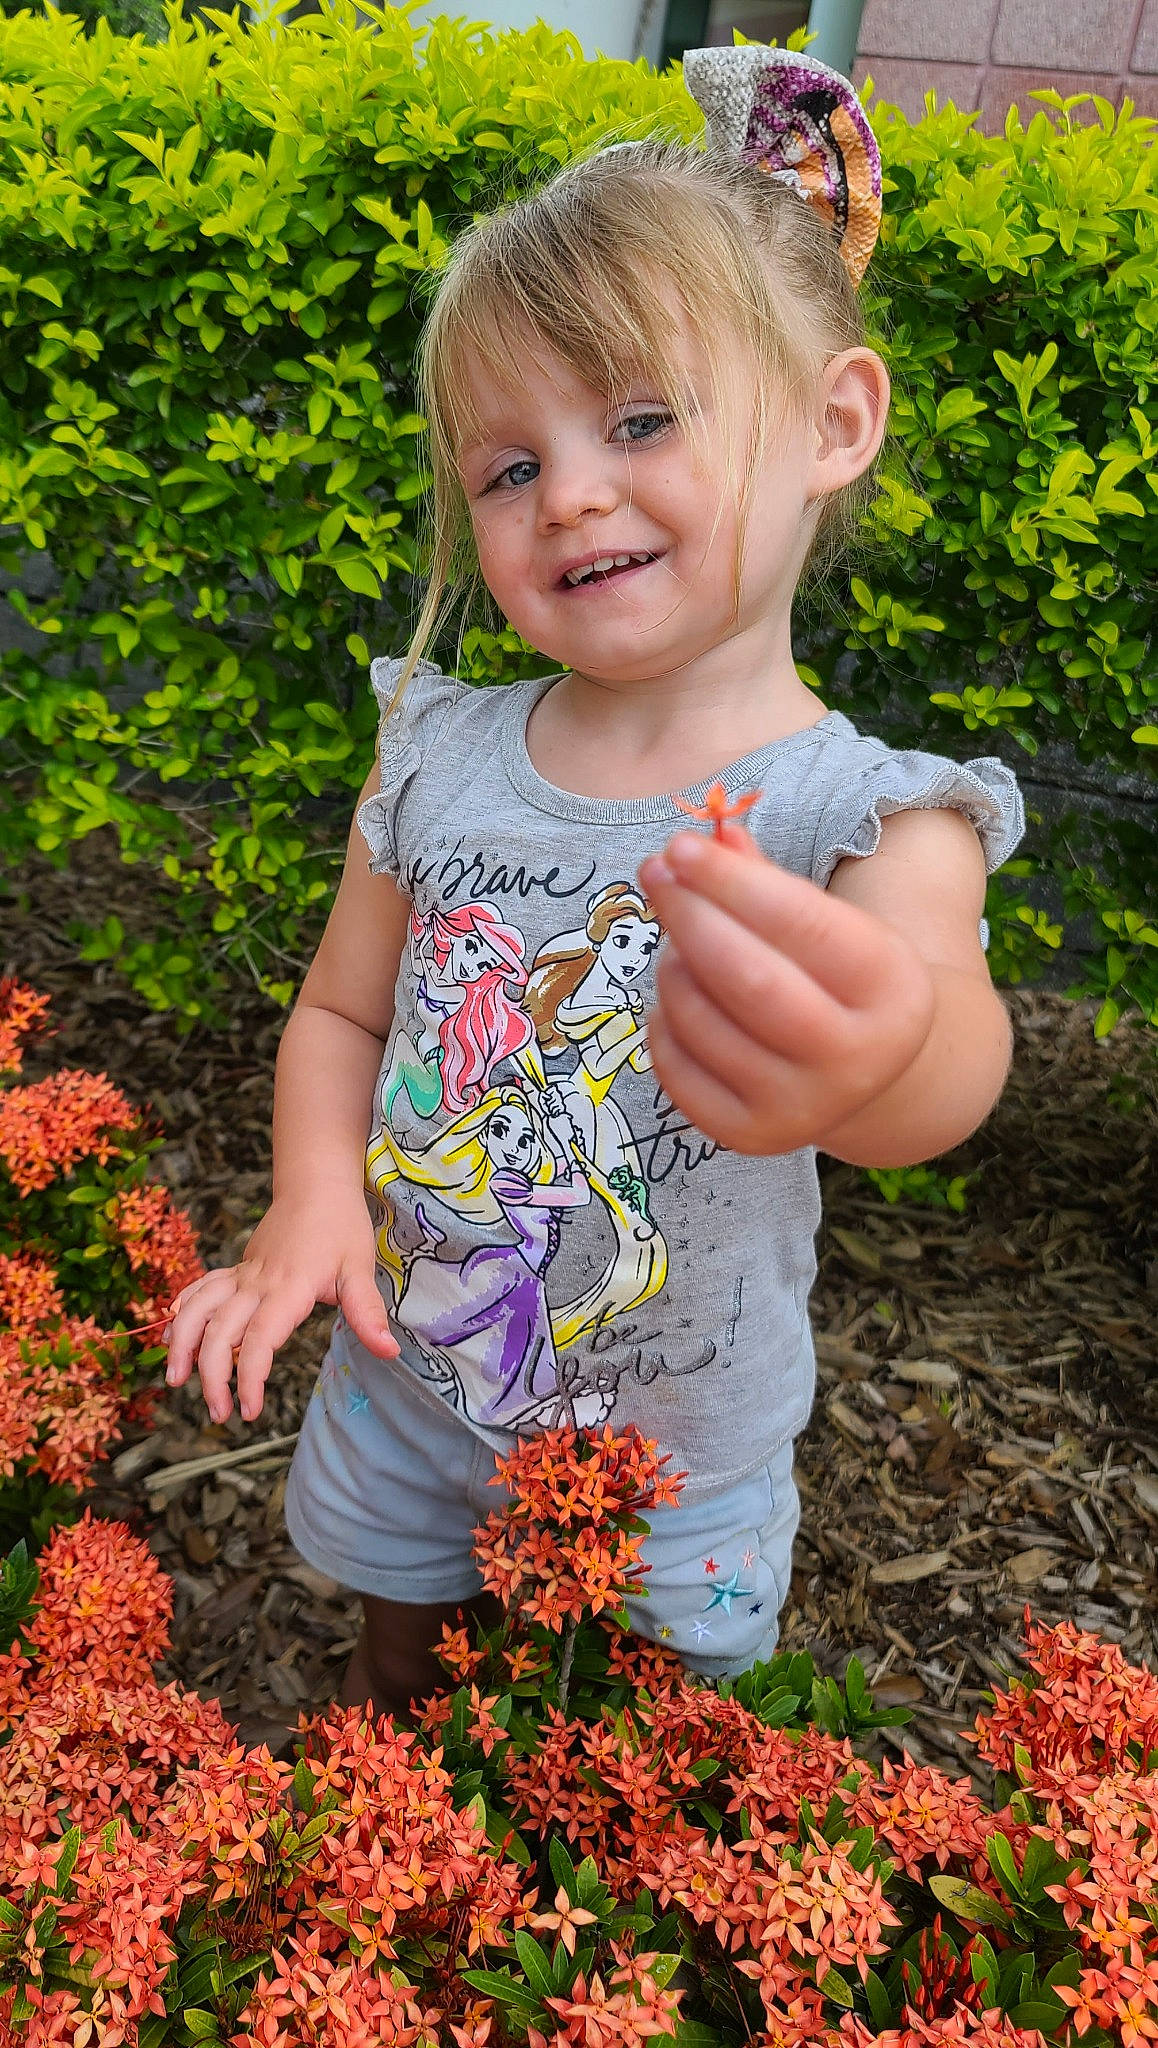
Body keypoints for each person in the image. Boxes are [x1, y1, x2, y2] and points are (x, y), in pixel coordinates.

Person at [163, 43, 1024, 1720]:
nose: (568, 491)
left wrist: (881, 1065)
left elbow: (945, 1066)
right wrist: (312, 1197)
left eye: (639, 420)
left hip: (669, 1453)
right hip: (417, 1375)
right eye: (505, 467)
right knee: (397, 1659)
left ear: (831, 424)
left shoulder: (858, 811)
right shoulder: (439, 748)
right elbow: (344, 1009)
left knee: (638, 1753)